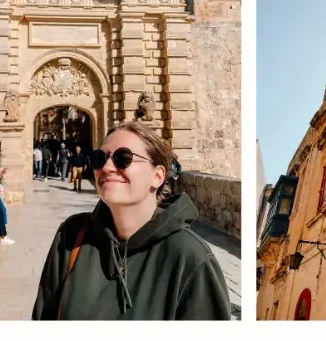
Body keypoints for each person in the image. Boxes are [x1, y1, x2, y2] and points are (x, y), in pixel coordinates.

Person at [31, 121, 231, 320]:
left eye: (123, 158)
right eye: (99, 158)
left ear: (158, 175)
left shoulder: (191, 258)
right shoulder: (70, 236)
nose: (107, 167)